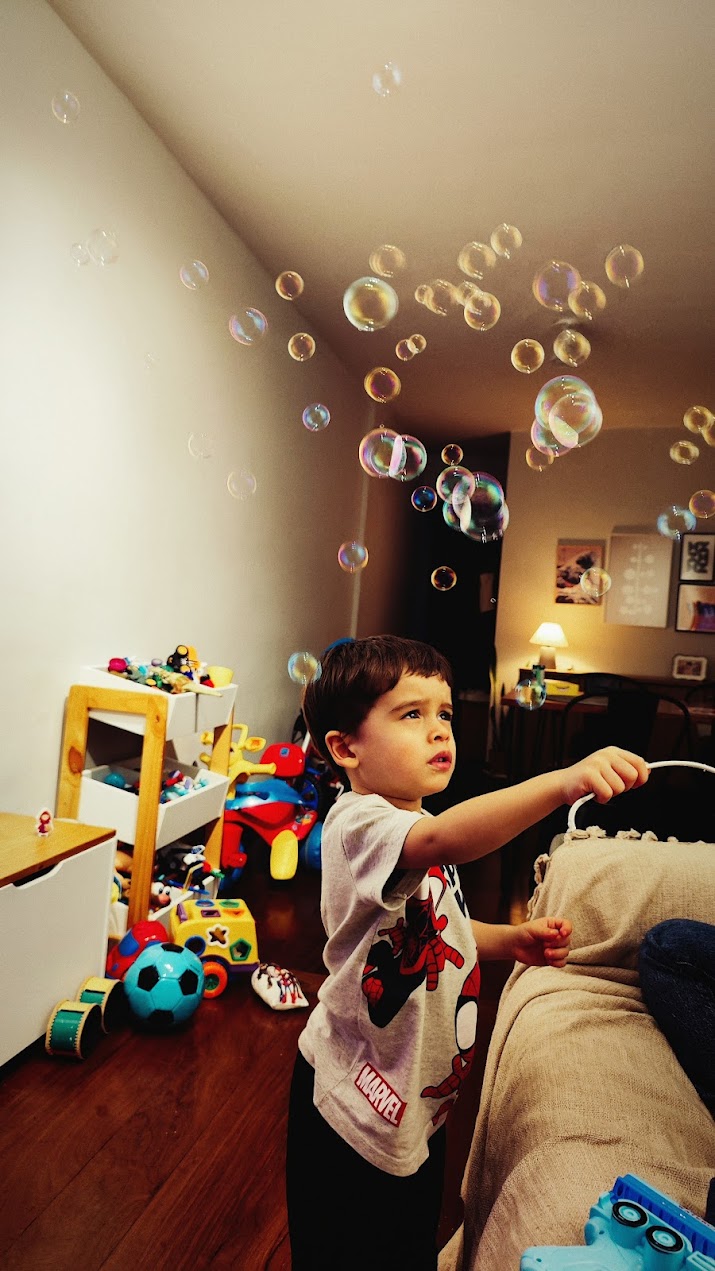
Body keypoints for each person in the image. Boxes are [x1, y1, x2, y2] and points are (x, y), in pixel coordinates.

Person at [286, 635, 649, 1270]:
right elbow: (445, 841)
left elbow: (439, 924)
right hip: (351, 1098)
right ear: (345, 749)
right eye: (411, 714)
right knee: (346, 1250)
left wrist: (508, 940)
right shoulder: (361, 824)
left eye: (445, 713)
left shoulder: (413, 820)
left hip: (415, 1097)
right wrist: (561, 783)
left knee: (406, 1242)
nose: (439, 731)